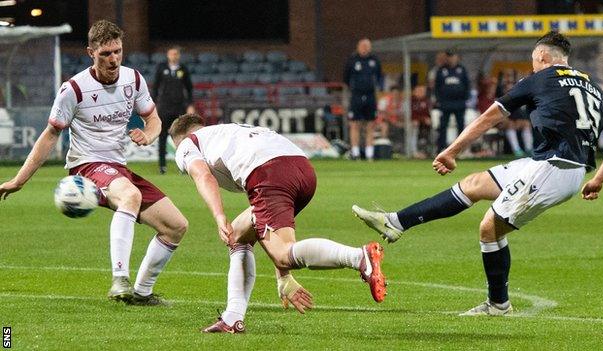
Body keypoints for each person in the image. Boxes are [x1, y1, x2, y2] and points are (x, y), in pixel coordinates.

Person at [352, 31, 603, 316]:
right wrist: (598, 178)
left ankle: (498, 304)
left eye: (533, 60)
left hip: (552, 169)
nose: (533, 65)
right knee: (474, 184)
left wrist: (452, 151)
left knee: (489, 229)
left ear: (542, 57)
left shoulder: (538, 79)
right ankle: (395, 222)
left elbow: (489, 117)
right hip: (558, 165)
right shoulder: (590, 85)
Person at [0, 20, 188, 305]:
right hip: (86, 166)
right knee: (130, 195)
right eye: (105, 54)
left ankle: (141, 293)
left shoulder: (133, 79)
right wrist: (19, 180)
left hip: (117, 168)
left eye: (117, 52)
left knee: (176, 225)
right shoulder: (73, 89)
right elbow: (50, 135)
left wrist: (149, 135)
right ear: (91, 52)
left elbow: (154, 119)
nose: (113, 59)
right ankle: (119, 279)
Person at [168, 114, 386, 333]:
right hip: (302, 169)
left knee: (284, 253)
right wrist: (283, 276)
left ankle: (359, 257)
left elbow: (202, 176)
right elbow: (264, 221)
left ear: (185, 137)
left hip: (269, 172)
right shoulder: (228, 133)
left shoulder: (188, 143)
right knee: (239, 236)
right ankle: (233, 318)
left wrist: (218, 216)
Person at [152, 46, 195, 174]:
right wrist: (154, 104)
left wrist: (190, 104)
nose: (174, 56)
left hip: (179, 107)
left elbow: (189, 89)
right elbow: (155, 88)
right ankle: (162, 166)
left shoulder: (183, 69)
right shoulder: (161, 69)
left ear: (179, 55)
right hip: (164, 107)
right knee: (163, 136)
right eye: (171, 54)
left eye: (176, 54)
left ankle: (183, 165)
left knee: (181, 136)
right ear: (167, 55)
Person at [343, 38, 383, 161]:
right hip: (356, 96)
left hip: (370, 96)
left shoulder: (374, 60)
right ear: (358, 47)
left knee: (370, 125)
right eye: (363, 45)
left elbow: (379, 77)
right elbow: (346, 78)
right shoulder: (352, 60)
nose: (365, 48)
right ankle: (355, 153)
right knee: (355, 124)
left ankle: (369, 153)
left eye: (367, 46)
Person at [435, 51, 470, 153]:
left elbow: (467, 85)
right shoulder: (441, 70)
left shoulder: (461, 69)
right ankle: (442, 148)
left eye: (453, 56)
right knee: (443, 126)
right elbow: (437, 87)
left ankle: (461, 149)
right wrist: (439, 100)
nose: (451, 59)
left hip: (459, 103)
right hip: (445, 103)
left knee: (460, 126)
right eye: (449, 57)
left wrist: (465, 98)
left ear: (457, 57)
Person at [497, 69, 534, 157]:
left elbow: (519, 113)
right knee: (510, 125)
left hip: (515, 119)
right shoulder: (499, 92)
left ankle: (529, 149)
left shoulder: (517, 94)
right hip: (502, 120)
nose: (508, 79)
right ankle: (516, 150)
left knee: (526, 124)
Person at [410, 85, 432, 159]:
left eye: (422, 91)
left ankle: (429, 151)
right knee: (414, 127)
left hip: (424, 124)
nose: (421, 93)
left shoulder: (427, 101)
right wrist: (419, 119)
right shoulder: (411, 101)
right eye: (419, 91)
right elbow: (409, 115)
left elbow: (428, 114)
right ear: (414, 92)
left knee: (431, 128)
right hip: (413, 123)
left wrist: (427, 119)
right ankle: (414, 151)